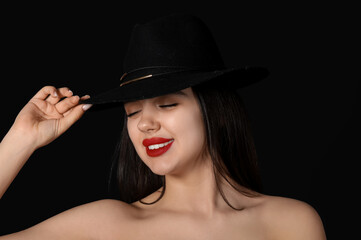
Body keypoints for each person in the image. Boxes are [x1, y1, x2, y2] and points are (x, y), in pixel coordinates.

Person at [0, 14, 326, 239]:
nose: (145, 123)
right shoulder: (107, 225)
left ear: (213, 109)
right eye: (131, 113)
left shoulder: (293, 223)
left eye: (167, 104)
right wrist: (20, 140)